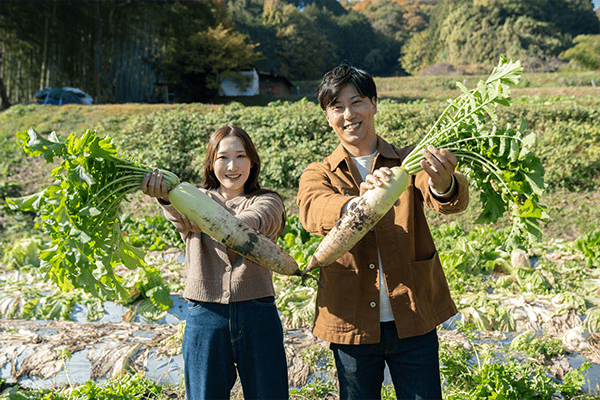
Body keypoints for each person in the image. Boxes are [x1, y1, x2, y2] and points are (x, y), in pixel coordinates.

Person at [296, 64, 470, 400]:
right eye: (337, 107)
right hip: (353, 323)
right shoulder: (319, 172)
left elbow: (448, 200)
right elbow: (312, 209)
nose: (349, 114)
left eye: (357, 101)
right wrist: (359, 204)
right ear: (326, 115)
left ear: (374, 104)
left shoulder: (406, 162)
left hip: (413, 316)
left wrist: (444, 181)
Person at [142, 125, 289, 400]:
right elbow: (177, 216)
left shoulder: (268, 200)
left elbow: (256, 223)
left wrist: (205, 218)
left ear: (253, 161)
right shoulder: (192, 198)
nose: (232, 166)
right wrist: (165, 197)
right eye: (223, 157)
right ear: (211, 162)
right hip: (205, 315)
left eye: (241, 156)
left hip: (257, 312)